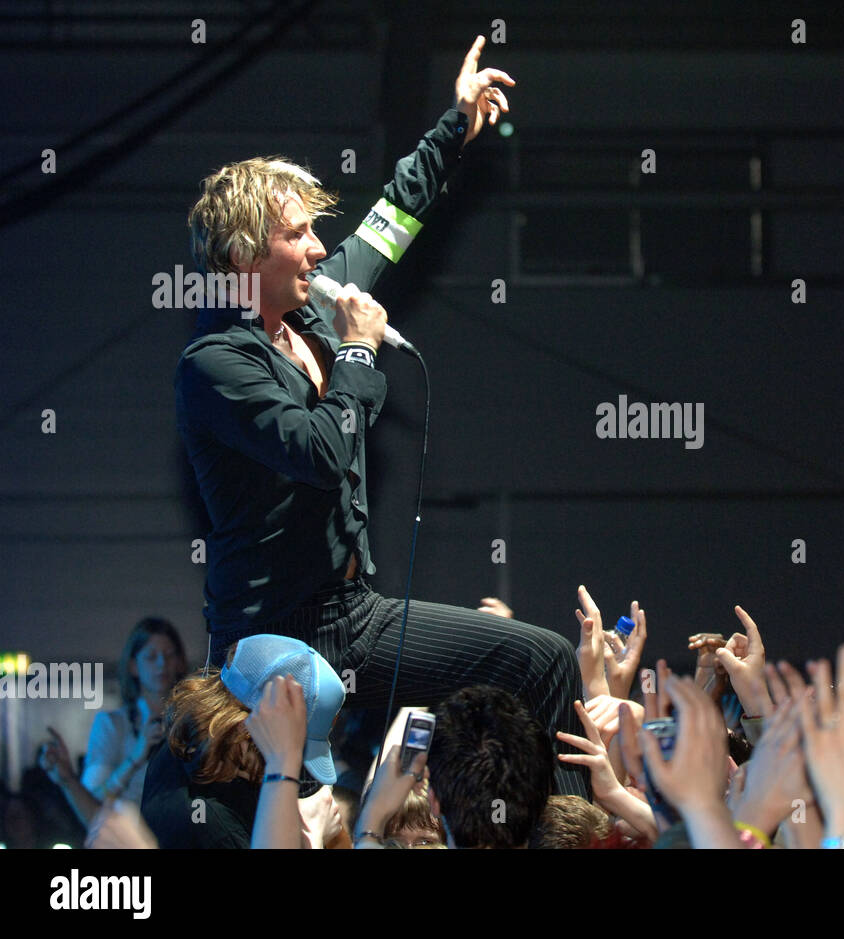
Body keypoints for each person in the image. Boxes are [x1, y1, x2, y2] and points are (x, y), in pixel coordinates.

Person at [173, 36, 587, 797]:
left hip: (352, 612)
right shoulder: (214, 366)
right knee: (240, 817)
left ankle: (579, 835)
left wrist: (456, 126)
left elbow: (392, 219)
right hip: (273, 639)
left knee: (545, 658)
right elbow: (320, 449)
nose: (317, 248)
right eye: (294, 234)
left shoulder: (317, 309)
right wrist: (360, 355)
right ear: (241, 258)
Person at [140, 634, 345, 849]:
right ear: (249, 730)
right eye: (295, 748)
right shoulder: (219, 831)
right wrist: (314, 836)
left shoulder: (179, 747)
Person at [39, 616, 188, 826]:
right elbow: (92, 803)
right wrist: (136, 757)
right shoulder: (112, 724)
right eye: (151, 656)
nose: (162, 664)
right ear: (133, 666)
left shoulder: (192, 721)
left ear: (180, 662)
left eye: (169, 655)